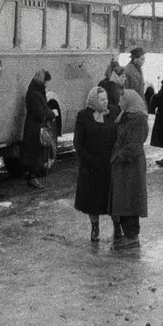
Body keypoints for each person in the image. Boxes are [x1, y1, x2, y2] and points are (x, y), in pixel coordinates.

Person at [73, 86, 120, 243]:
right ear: (94, 100)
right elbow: (78, 143)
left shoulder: (113, 112)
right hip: (92, 166)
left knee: (113, 199)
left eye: (106, 99)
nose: (105, 102)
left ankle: (117, 227)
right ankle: (95, 228)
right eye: (101, 99)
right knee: (92, 201)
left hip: (110, 164)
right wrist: (88, 161)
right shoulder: (84, 116)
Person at [109, 89, 150, 250]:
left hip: (131, 165)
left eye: (122, 100)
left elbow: (135, 144)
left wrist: (120, 156)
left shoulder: (138, 118)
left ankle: (132, 236)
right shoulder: (127, 115)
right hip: (125, 165)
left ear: (129, 101)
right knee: (124, 199)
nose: (119, 103)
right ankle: (128, 234)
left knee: (131, 199)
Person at [19, 69, 57, 189]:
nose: (46, 85)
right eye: (46, 82)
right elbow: (41, 112)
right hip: (35, 128)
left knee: (32, 152)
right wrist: (52, 114)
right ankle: (32, 178)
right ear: (42, 81)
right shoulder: (36, 94)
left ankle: (30, 176)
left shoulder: (33, 91)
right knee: (36, 153)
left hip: (32, 126)